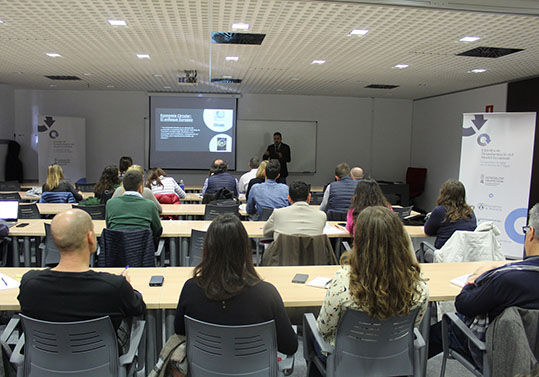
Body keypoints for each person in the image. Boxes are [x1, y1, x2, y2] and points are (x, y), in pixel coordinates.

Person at [17, 209, 146, 351]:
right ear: (90, 237)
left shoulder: (29, 284)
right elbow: (138, 307)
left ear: (53, 241)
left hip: (41, 367)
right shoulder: (114, 286)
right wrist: (128, 288)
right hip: (102, 367)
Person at [428, 203, 539, 364]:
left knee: (444, 327)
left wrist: (474, 279)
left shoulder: (507, 280)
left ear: (531, 233)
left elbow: (463, 304)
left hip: (497, 353)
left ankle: (405, 368)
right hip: (533, 353)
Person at [174, 214, 298, 355]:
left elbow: (180, 332)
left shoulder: (191, 289)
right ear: (245, 249)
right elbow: (289, 346)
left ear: (207, 249)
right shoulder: (267, 294)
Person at [317, 206, 428, 347]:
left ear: (359, 240)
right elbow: (413, 326)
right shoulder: (417, 283)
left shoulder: (344, 281)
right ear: (401, 239)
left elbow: (323, 328)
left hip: (347, 358)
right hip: (395, 355)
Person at [106, 169, 163, 243]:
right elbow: (157, 231)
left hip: (116, 251)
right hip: (143, 252)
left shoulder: (110, 204)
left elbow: (109, 227)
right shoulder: (150, 205)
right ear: (140, 187)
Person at [424, 179, 477, 249]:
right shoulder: (470, 212)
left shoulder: (440, 211)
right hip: (465, 256)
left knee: (419, 253)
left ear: (444, 194)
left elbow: (428, 231)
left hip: (443, 256)